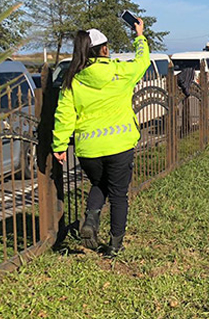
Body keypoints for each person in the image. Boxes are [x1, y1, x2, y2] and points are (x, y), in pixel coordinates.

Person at [53, 20, 149, 256]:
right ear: (104, 49)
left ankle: (91, 220)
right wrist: (139, 36)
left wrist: (60, 145)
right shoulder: (120, 72)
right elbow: (143, 61)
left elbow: (64, 115)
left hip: (88, 150)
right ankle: (115, 245)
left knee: (99, 184)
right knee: (118, 196)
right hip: (120, 145)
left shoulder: (72, 80)